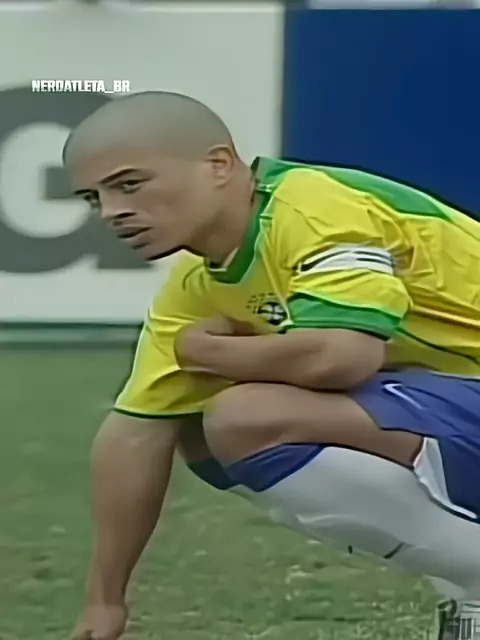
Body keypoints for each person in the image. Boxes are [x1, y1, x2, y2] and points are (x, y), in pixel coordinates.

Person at [64, 91, 480, 640]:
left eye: (130, 184)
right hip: (459, 402)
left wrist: (210, 352)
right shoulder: (197, 284)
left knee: (247, 417)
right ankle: (465, 579)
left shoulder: (312, 208)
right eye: (93, 198)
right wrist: (104, 602)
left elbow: (344, 355)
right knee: (195, 430)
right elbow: (136, 433)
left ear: (218, 165)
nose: (112, 211)